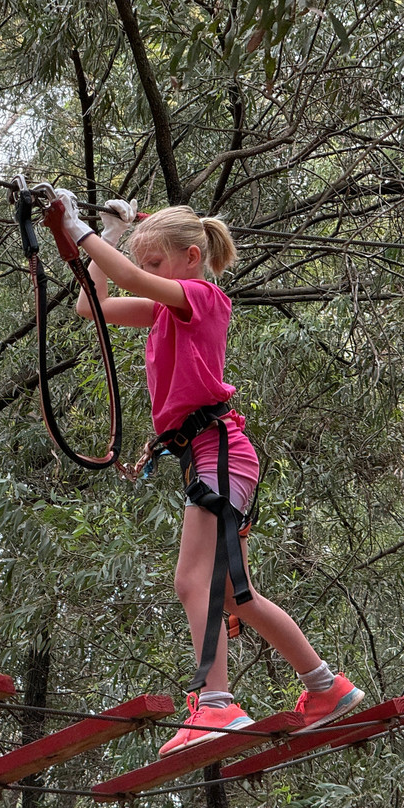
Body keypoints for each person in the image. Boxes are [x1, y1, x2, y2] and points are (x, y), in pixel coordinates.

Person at [52, 188, 364, 757]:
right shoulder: (165, 309)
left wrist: (79, 231)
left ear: (190, 260)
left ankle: (215, 706)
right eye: (143, 263)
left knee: (194, 583)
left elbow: (129, 280)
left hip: (219, 449)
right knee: (232, 594)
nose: (145, 273)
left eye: (155, 262)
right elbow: (88, 307)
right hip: (210, 453)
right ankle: (325, 686)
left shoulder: (203, 297)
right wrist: (110, 238)